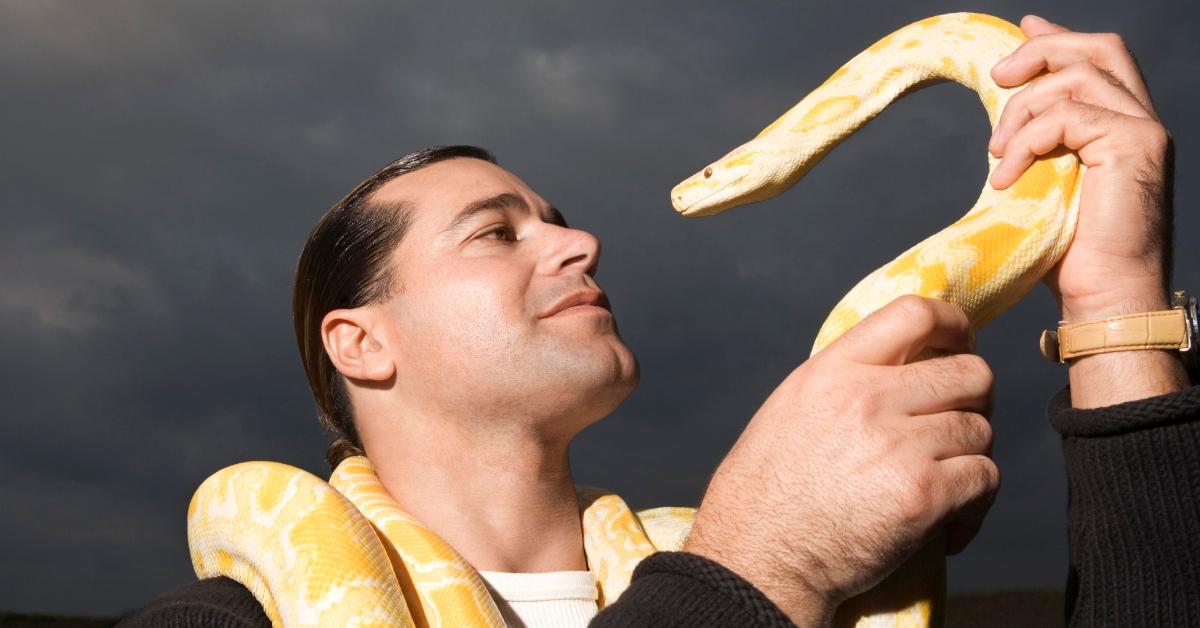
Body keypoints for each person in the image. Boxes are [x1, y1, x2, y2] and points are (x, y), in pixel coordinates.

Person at [119, 15, 1198, 628]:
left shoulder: (733, 560)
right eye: (496, 233)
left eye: (564, 221)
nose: (578, 245)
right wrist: (761, 566)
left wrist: (1118, 308)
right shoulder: (221, 623)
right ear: (359, 342)